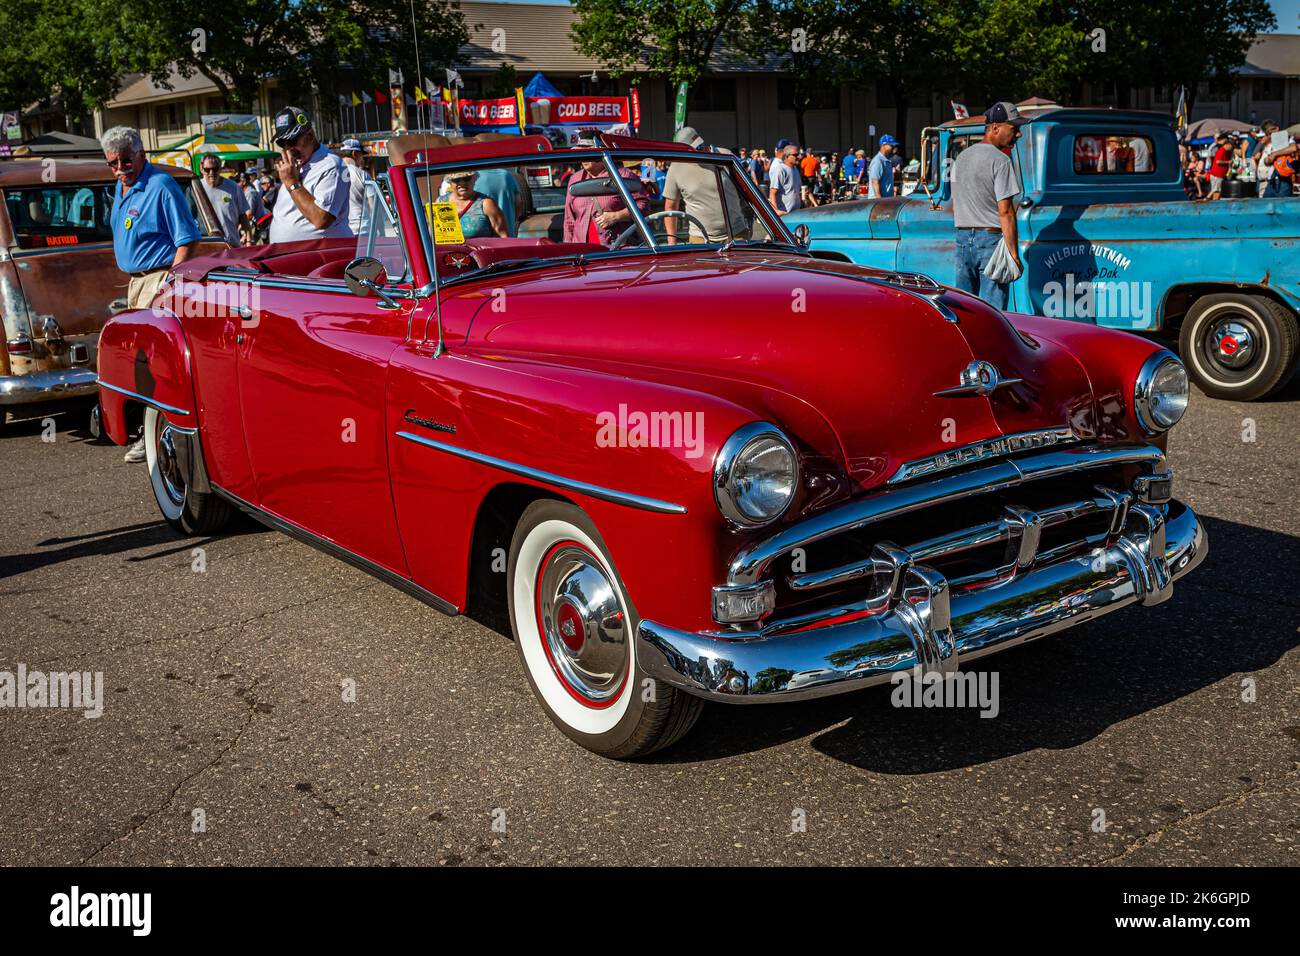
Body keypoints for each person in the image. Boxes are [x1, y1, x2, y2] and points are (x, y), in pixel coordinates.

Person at [100, 125, 201, 462]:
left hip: (157, 280)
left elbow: (186, 240)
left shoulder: (160, 185)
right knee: (138, 361)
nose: (119, 168)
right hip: (135, 282)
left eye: (125, 160)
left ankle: (159, 433)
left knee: (155, 362)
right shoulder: (122, 186)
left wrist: (167, 286)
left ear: (141, 153)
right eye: (112, 163)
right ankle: (150, 430)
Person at [950, 100, 1025, 310]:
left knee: (964, 308)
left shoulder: (961, 158)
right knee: (994, 311)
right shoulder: (1001, 161)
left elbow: (956, 206)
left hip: (962, 241)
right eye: (1014, 128)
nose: (1018, 134)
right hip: (990, 241)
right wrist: (1013, 254)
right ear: (995, 128)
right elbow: (1006, 211)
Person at [267, 106, 352, 243]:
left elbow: (321, 219)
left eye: (292, 141)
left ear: (310, 136)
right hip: (288, 256)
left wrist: (292, 183)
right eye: (283, 143)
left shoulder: (332, 165)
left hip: (319, 256)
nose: (288, 149)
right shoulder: (295, 166)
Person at [662, 126, 749, 243]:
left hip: (736, 233)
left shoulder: (724, 155)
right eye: (694, 147)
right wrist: (671, 242)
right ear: (682, 150)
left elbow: (748, 188)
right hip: (700, 238)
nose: (700, 149)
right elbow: (670, 208)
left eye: (700, 145)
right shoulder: (675, 168)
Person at [561, 155, 649, 246]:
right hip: (582, 251)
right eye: (581, 153)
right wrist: (568, 247)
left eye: (589, 153)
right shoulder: (575, 178)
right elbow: (569, 219)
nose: (584, 158)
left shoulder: (623, 175)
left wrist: (617, 216)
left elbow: (643, 206)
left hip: (615, 249)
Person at [198, 155, 252, 247]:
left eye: (215, 169)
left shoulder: (233, 187)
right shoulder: (197, 188)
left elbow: (242, 215)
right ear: (201, 169)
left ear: (220, 169)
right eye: (207, 170)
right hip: (206, 245)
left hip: (231, 244)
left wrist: (249, 240)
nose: (211, 173)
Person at [445, 169, 509, 238]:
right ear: (450, 182)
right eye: (456, 179)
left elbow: (503, 236)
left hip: (481, 248)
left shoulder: (486, 203)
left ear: (474, 179)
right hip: (448, 249)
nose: (462, 183)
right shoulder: (441, 202)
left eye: (466, 178)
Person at [473, 166, 521, 236]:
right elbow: (518, 203)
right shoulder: (507, 175)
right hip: (509, 236)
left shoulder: (474, 179)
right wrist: (512, 222)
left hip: (484, 241)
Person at [339, 138, 372, 235]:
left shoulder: (332, 173)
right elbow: (374, 207)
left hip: (342, 232)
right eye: (361, 155)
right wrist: (382, 234)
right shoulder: (362, 175)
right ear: (354, 154)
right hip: (362, 230)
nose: (362, 159)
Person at [768, 142, 802, 214]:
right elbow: (772, 193)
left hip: (796, 213)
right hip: (784, 215)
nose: (799, 157)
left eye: (798, 154)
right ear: (786, 156)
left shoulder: (796, 170)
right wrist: (776, 211)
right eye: (795, 155)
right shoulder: (780, 169)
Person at [868, 134, 899, 198]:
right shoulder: (878, 161)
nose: (893, 147)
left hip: (885, 201)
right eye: (891, 145)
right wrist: (880, 202)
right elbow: (875, 182)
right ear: (883, 145)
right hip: (878, 203)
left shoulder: (887, 160)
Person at [1207, 133, 1232, 200]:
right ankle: (1213, 206)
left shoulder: (1224, 151)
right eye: (1231, 146)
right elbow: (1218, 161)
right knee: (1217, 192)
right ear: (1227, 145)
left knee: (1215, 191)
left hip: (1218, 175)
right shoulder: (1221, 150)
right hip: (1217, 175)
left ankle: (1209, 202)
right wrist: (1228, 162)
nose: (1231, 148)